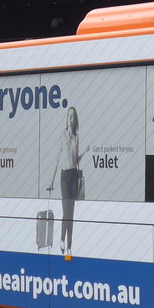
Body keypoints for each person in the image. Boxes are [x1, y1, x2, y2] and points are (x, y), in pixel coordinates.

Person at [46, 107, 88, 257]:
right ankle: (62, 239)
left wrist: (85, 152)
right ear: (66, 119)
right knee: (66, 212)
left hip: (73, 175)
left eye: (73, 116)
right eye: (69, 116)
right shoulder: (63, 136)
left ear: (75, 119)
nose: (70, 118)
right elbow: (58, 160)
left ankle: (69, 246)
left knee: (72, 214)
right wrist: (51, 182)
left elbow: (76, 161)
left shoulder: (76, 137)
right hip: (64, 176)